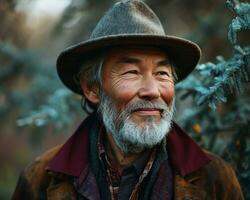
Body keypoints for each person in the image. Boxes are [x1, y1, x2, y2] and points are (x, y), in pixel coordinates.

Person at [12, 0, 244, 199]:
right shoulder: (40, 180)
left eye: (162, 73)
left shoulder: (214, 180)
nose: (152, 90)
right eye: (131, 72)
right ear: (92, 88)